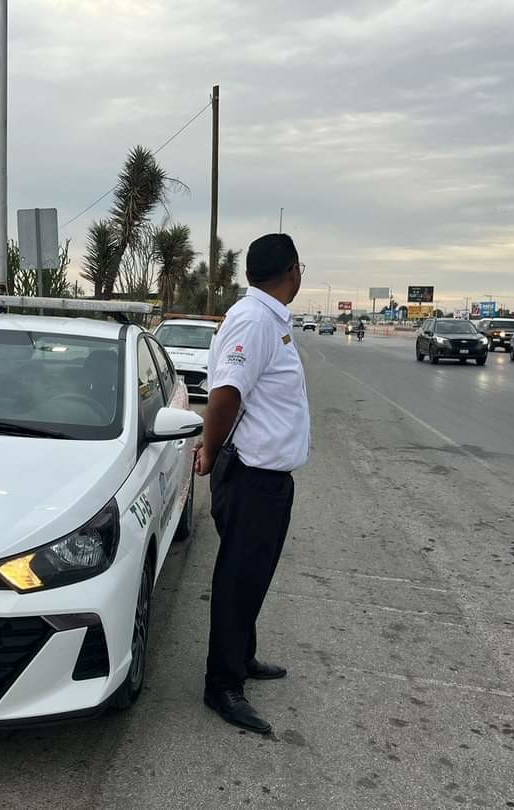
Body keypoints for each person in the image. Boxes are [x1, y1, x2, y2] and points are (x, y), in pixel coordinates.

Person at [194, 233, 309, 734]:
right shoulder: (254, 320)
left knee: (252, 576)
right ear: (293, 270)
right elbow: (224, 396)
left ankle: (242, 657)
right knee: (238, 579)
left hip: (265, 478)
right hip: (250, 478)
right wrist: (210, 451)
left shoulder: (267, 319)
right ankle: (222, 685)